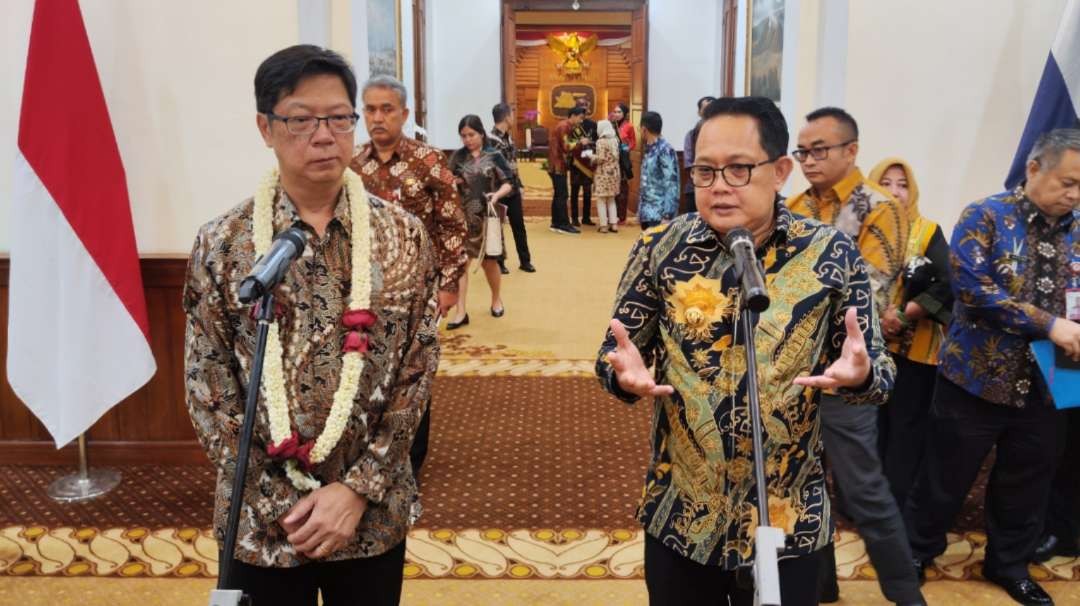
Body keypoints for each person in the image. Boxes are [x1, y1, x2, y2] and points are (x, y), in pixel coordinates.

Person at [596, 96, 895, 606]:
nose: (717, 186)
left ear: (779, 171)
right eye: (706, 171)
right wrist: (620, 373)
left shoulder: (830, 252)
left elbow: (880, 376)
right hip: (684, 513)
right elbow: (615, 351)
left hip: (788, 516)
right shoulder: (660, 247)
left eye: (738, 169)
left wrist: (860, 375)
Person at [184, 45, 438, 606]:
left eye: (339, 118)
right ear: (265, 128)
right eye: (301, 119)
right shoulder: (223, 244)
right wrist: (283, 503)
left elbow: (417, 371)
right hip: (266, 523)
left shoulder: (404, 237)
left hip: (370, 516)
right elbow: (211, 389)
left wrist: (356, 490)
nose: (324, 135)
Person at [904, 128, 1080, 606]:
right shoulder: (985, 215)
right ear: (1034, 168)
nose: (1074, 194)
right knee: (944, 477)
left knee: (1027, 482)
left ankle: (1008, 564)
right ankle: (917, 553)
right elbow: (975, 292)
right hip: (975, 380)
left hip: (1051, 383)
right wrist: (1050, 325)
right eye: (1067, 182)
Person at [787, 107, 923, 605]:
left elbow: (871, 291)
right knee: (803, 480)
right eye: (802, 151)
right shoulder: (797, 204)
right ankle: (822, 583)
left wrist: (795, 294)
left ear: (851, 150)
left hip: (848, 373)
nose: (808, 160)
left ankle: (906, 594)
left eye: (819, 149)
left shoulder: (879, 207)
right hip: (793, 369)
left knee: (862, 487)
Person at [350, 75, 468, 478]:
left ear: (404, 113)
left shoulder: (429, 160)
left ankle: (409, 461)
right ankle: (369, 451)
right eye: (370, 109)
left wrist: (449, 286)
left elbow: (453, 227)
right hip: (365, 291)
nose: (377, 117)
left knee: (413, 371)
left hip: (420, 290)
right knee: (366, 369)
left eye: (386, 109)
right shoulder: (353, 165)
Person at [867, 158, 953, 511]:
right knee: (870, 425)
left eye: (902, 184)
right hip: (868, 348)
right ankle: (865, 499)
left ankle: (895, 499)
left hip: (915, 350)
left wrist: (903, 314)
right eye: (885, 182)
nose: (894, 191)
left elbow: (949, 282)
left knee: (906, 426)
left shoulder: (927, 230)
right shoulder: (863, 231)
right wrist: (877, 317)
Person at [446, 115, 513, 329]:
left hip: (487, 217)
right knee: (462, 264)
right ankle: (460, 311)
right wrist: (453, 183)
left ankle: (496, 299)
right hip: (463, 218)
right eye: (464, 136)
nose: (468, 140)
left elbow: (509, 182)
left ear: (481, 133)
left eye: (471, 135)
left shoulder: (494, 155)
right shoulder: (458, 157)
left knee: (489, 262)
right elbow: (447, 181)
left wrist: (497, 194)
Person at [490, 102, 536, 273]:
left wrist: (520, 184)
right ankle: (499, 262)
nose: (513, 118)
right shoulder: (490, 140)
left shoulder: (508, 138)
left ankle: (525, 261)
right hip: (498, 190)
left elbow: (513, 165)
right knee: (497, 228)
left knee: (519, 225)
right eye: (512, 115)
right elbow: (497, 169)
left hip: (513, 190)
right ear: (506, 117)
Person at [637, 111, 679, 229]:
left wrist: (668, 215)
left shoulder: (665, 149)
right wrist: (640, 211)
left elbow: (671, 183)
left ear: (644, 129)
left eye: (639, 128)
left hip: (659, 215)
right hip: (647, 213)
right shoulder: (649, 148)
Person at [548, 106, 587, 234]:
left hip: (557, 164)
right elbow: (566, 146)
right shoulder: (564, 127)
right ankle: (564, 224)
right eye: (580, 118)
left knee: (558, 195)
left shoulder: (565, 125)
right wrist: (581, 142)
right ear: (573, 115)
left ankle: (556, 222)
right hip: (558, 165)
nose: (581, 121)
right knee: (562, 195)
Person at [682, 96, 717, 214]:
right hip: (695, 187)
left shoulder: (724, 136)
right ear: (699, 112)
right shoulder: (691, 135)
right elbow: (689, 163)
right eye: (706, 108)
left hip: (718, 187)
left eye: (713, 108)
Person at [571, 96, 598, 226]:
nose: (583, 110)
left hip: (588, 162)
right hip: (576, 162)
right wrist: (578, 142)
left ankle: (586, 217)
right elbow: (567, 143)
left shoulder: (593, 124)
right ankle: (574, 218)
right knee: (574, 192)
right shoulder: (572, 124)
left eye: (585, 107)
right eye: (580, 107)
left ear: (588, 109)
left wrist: (589, 143)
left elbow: (597, 142)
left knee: (587, 192)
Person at [591, 119, 621, 233]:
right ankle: (614, 225)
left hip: (603, 174)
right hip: (614, 173)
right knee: (612, 199)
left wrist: (591, 157)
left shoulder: (601, 142)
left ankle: (603, 226)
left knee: (601, 200)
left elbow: (601, 159)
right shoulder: (615, 140)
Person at [612, 102, 637, 224]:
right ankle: (612, 215)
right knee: (612, 188)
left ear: (625, 114)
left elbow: (633, 143)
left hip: (622, 161)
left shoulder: (629, 126)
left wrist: (626, 147)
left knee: (622, 189)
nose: (616, 114)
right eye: (615, 112)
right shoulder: (610, 125)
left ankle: (621, 217)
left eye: (619, 112)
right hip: (611, 161)